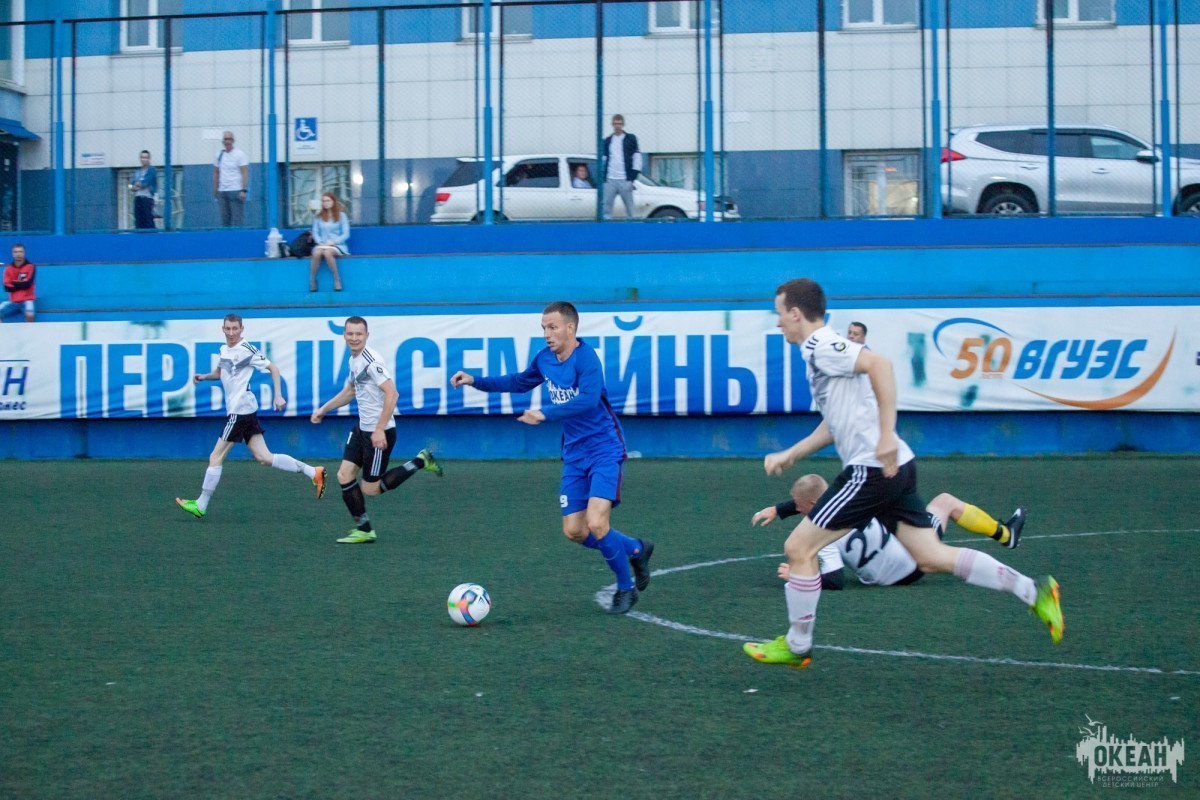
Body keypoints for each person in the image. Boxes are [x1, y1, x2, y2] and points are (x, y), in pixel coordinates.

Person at [742, 278, 1063, 669]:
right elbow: (834, 423)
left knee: (798, 549)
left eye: (779, 314)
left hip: (871, 470)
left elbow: (881, 365)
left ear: (795, 313)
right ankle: (1034, 591)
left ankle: (797, 646)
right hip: (897, 468)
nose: (778, 322)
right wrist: (792, 454)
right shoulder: (823, 351)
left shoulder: (820, 345)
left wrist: (886, 435)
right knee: (931, 557)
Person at [450, 301, 655, 614]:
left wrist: (545, 413)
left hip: (604, 449)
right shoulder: (544, 359)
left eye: (553, 327)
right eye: (544, 328)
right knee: (575, 531)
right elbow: (519, 382)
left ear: (570, 328)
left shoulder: (587, 358)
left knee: (596, 522)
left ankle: (626, 588)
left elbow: (588, 400)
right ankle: (636, 549)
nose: (547, 333)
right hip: (574, 453)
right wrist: (475, 380)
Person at [752, 473, 1027, 590]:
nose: (796, 508)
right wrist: (779, 509)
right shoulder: (851, 498)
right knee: (945, 502)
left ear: (812, 505)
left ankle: (1008, 540)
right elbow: (813, 499)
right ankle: (1005, 534)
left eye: (798, 505)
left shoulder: (821, 533)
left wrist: (799, 576)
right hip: (907, 551)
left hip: (902, 570)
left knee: (942, 505)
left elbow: (834, 580)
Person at [175, 313, 326, 519]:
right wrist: (204, 377)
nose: (231, 333)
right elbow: (220, 373)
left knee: (215, 457)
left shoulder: (247, 349)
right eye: (227, 329)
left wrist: (278, 395)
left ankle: (201, 504)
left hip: (240, 412)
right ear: (223, 329)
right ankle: (313, 472)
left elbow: (273, 368)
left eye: (235, 329)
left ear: (241, 329)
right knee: (264, 457)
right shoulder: (224, 349)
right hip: (246, 410)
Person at [310, 316, 444, 543]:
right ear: (344, 335)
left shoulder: (371, 362)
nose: (354, 338)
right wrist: (324, 409)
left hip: (379, 433)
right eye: (350, 334)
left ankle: (420, 461)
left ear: (367, 336)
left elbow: (392, 393)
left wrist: (379, 429)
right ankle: (364, 530)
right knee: (344, 475)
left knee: (371, 489)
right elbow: (350, 392)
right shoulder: (353, 360)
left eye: (359, 334)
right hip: (362, 428)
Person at [602, 114, 642, 219]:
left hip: (625, 179)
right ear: (612, 124)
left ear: (623, 124)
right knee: (606, 207)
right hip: (610, 179)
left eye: (619, 124)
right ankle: (606, 224)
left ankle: (631, 224)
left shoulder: (630, 138)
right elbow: (604, 158)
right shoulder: (608, 140)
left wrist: (632, 178)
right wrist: (603, 177)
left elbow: (637, 157)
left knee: (630, 207)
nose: (617, 126)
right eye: (615, 124)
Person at [309, 192, 349, 292]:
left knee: (327, 253)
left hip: (337, 245)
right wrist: (319, 242)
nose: (325, 203)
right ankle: (312, 279)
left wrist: (334, 242)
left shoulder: (342, 215)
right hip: (322, 244)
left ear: (333, 201)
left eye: (328, 201)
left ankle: (336, 279)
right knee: (317, 253)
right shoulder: (318, 216)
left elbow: (346, 234)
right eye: (323, 201)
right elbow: (315, 232)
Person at [212, 131, 249, 227]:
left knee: (237, 220)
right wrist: (216, 189)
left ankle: (238, 235)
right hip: (222, 191)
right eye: (225, 139)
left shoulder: (240, 154)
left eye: (229, 139)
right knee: (225, 220)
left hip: (235, 190)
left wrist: (243, 190)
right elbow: (216, 172)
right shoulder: (219, 155)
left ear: (233, 141)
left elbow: (244, 172)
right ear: (223, 141)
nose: (227, 141)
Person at [1, 244, 35, 323]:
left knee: (30, 315)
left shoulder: (31, 266)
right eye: (15, 252)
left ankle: (30, 331)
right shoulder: (8, 269)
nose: (18, 254)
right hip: (13, 301)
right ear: (12, 254)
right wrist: (22, 283)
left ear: (24, 253)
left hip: (27, 300)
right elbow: (7, 288)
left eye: (20, 251)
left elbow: (28, 284)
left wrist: (13, 282)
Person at [131, 149, 158, 230]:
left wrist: (138, 185)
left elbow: (146, 182)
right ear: (140, 158)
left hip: (147, 198)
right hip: (138, 198)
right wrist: (134, 186)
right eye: (142, 157)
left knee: (148, 220)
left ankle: (152, 235)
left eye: (146, 158)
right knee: (138, 220)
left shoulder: (152, 170)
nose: (144, 159)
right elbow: (132, 184)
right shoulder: (137, 171)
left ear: (149, 159)